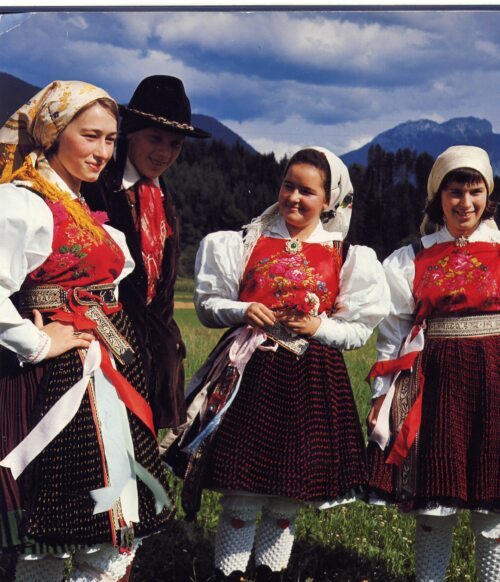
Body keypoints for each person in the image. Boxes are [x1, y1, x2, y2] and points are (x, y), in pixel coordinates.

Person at [163, 147, 390, 581]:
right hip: (250, 374)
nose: (294, 198)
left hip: (310, 378)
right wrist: (243, 310)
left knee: (289, 493)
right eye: (289, 185)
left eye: (308, 191)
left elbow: (357, 331)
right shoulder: (244, 242)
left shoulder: (345, 256)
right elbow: (209, 306)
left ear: (329, 200)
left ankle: (270, 574)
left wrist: (317, 327)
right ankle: (228, 573)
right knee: (242, 491)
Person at [0, 80, 173, 582]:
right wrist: (36, 341)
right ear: (54, 133)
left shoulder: (79, 203)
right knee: (53, 536)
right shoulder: (21, 203)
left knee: (107, 535)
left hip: (104, 372)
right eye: (91, 136)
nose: (102, 152)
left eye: (111, 140)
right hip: (52, 383)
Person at [366, 145, 499, 581]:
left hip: (496, 384)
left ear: (488, 195)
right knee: (435, 502)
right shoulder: (412, 258)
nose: (465, 203)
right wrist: (382, 395)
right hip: (438, 385)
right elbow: (392, 336)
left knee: (494, 507)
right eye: (455, 192)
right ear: (438, 198)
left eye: (474, 191)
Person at [82, 75, 211, 430]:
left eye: (175, 144)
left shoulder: (164, 201)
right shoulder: (95, 189)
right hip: (103, 357)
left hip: (156, 366)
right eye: (155, 138)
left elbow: (162, 296)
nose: (164, 153)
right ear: (129, 133)